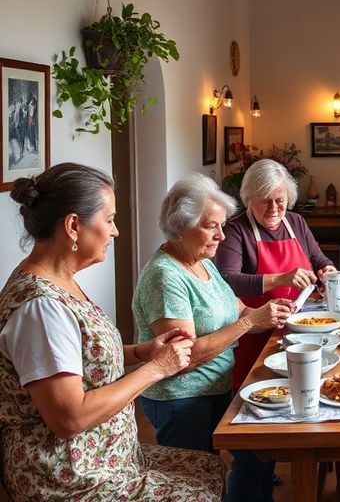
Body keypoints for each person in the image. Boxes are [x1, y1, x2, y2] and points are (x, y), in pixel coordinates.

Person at [0, 162, 224, 500]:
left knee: (211, 467)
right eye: (109, 220)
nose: (116, 231)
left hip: (109, 460)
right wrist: (157, 368)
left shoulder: (61, 284)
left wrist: (142, 352)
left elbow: (83, 361)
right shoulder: (40, 308)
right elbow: (69, 418)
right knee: (200, 490)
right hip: (71, 479)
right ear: (74, 226)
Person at [133, 173, 294, 502]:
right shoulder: (166, 276)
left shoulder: (204, 263)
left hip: (219, 386)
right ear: (181, 226)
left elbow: (240, 311)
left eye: (222, 225)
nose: (222, 235)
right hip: (182, 398)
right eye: (212, 226)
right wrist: (250, 323)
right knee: (196, 484)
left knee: (257, 457)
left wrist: (270, 314)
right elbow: (183, 357)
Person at [214, 158, 337, 389]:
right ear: (249, 199)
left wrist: (327, 270)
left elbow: (318, 259)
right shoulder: (235, 230)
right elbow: (227, 281)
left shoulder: (295, 221)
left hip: (299, 328)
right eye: (264, 200)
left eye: (279, 200)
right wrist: (279, 279)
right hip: (256, 333)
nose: (273, 208)